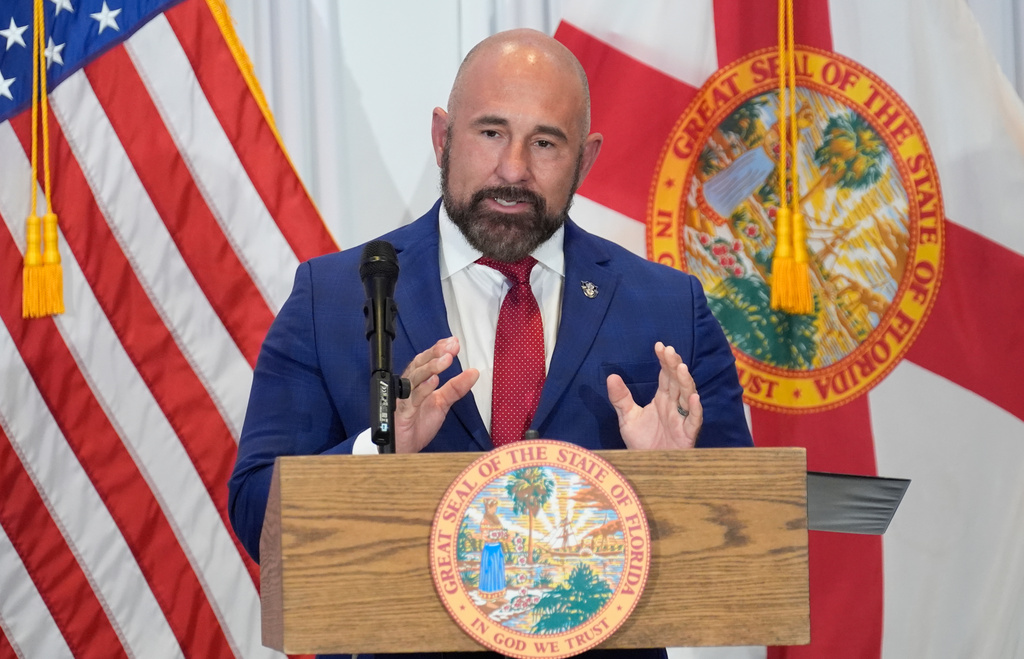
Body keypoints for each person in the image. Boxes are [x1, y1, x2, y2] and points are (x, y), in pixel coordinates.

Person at [229, 28, 753, 659]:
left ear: (586, 159)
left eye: (546, 142)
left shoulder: (670, 307)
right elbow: (256, 513)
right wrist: (379, 449)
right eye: (490, 132)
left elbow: (744, 544)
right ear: (442, 138)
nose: (513, 169)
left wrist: (675, 480)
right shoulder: (335, 297)